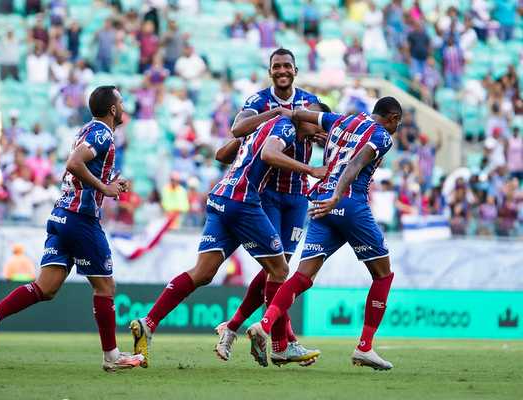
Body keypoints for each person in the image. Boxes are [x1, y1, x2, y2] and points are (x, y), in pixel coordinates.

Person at [129, 105, 328, 368]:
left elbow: (223, 152)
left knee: (203, 272)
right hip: (243, 202)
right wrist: (310, 170)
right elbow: (269, 153)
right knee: (279, 270)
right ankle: (281, 346)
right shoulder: (285, 127)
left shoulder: (264, 125)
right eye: (316, 123)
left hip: (220, 197)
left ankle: (149, 322)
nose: (318, 129)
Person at [0, 86, 144, 371]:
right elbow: (74, 164)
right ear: (113, 109)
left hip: (62, 215)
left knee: (46, 287)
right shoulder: (102, 133)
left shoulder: (87, 130)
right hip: (80, 219)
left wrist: (112, 180)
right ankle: (112, 356)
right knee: (105, 287)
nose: (124, 107)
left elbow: (79, 168)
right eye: (122, 103)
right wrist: (105, 188)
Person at [246, 96, 403, 371]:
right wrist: (338, 196)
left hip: (320, 202)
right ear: (393, 119)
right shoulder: (382, 136)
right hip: (349, 203)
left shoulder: (340, 120)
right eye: (397, 124)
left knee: (302, 276)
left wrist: (279, 113)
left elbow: (297, 114)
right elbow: (355, 166)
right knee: (383, 274)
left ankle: (265, 324)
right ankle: (364, 347)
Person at [213, 48, 328, 366]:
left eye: (287, 66)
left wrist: (320, 134)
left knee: (274, 273)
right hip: (266, 195)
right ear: (270, 71)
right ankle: (283, 341)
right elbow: (237, 131)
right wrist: (279, 115)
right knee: (277, 271)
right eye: (276, 66)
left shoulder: (309, 102)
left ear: (295, 69)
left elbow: (323, 127)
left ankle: (234, 328)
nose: (282, 70)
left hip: (297, 198)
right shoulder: (257, 101)